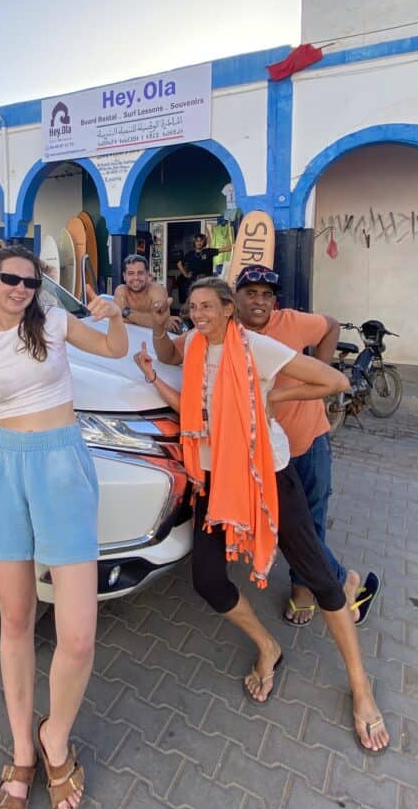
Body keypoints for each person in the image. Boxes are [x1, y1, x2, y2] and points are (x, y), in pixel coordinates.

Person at [138, 277, 389, 753]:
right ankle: (267, 647)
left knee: (318, 575)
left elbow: (333, 380)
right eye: (193, 307)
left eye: (208, 306)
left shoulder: (258, 347)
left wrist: (273, 398)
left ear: (229, 309)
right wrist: (154, 348)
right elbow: (182, 382)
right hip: (212, 478)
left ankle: (361, 686)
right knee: (208, 580)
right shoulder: (192, 343)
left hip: (266, 477)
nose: (198, 315)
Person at [0, 245, 128, 809]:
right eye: (10, 279)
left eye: (30, 279)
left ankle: (57, 736)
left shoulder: (53, 322)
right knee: (16, 621)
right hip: (9, 469)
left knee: (77, 633)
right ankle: (25, 750)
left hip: (63, 465)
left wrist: (114, 311)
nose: (21, 288)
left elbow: (114, 348)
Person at [235, 265, 379, 627]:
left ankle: (303, 591)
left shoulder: (291, 322)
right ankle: (343, 578)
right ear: (235, 297)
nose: (260, 301)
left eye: (267, 295)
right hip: (266, 449)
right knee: (285, 525)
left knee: (311, 518)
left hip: (309, 438)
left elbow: (330, 325)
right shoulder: (228, 330)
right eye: (251, 293)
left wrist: (320, 366)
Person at [113, 253, 183, 332]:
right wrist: (156, 321)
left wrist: (126, 313)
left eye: (140, 273)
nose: (136, 278)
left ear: (147, 274)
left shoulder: (156, 290)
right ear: (124, 276)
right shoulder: (121, 290)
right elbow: (160, 322)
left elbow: (160, 320)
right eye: (131, 273)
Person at [176, 232, 220, 305]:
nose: (199, 243)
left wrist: (235, 246)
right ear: (194, 242)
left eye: (201, 241)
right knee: (194, 301)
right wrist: (186, 275)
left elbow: (224, 249)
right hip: (193, 282)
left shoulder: (208, 252)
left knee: (206, 301)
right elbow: (179, 264)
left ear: (204, 242)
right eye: (197, 241)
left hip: (206, 282)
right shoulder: (190, 254)